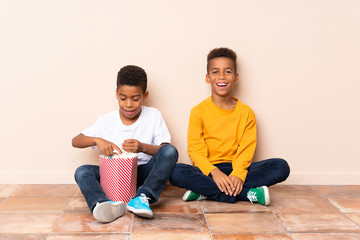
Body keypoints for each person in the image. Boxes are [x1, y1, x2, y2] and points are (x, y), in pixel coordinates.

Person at [169, 47, 290, 205]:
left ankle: (205, 191)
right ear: (207, 77)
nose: (221, 77)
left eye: (227, 71)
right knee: (174, 171)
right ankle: (247, 194)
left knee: (281, 166)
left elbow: (246, 149)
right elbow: (195, 151)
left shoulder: (246, 113)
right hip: (208, 171)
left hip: (238, 168)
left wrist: (238, 174)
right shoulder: (198, 112)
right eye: (215, 72)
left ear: (235, 77)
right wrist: (214, 172)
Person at [73, 65, 178, 222]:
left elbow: (165, 151)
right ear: (116, 94)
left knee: (171, 151)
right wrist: (97, 140)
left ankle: (142, 197)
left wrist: (142, 147)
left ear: (145, 95)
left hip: (143, 175)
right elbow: (76, 141)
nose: (129, 104)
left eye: (135, 99)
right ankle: (103, 204)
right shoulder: (105, 120)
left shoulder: (153, 116)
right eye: (123, 98)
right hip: (113, 176)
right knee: (82, 171)